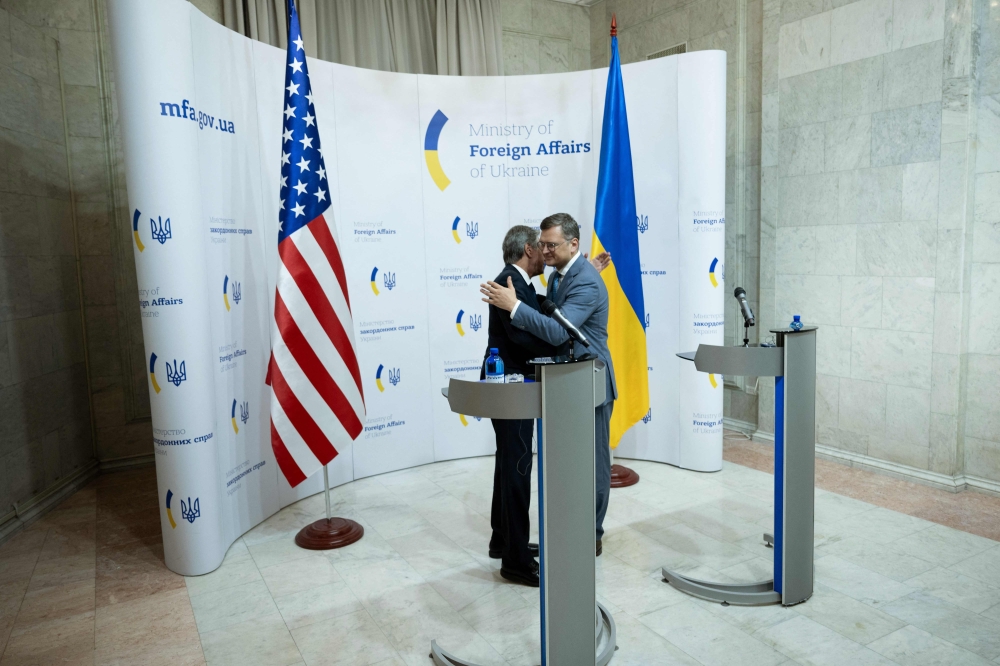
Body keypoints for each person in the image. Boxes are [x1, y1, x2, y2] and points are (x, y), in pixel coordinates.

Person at [480, 213, 615, 557]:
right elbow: (557, 306)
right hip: (565, 384)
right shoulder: (561, 275)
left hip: (589, 381)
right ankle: (556, 529)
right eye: (542, 245)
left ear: (573, 244)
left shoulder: (579, 278)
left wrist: (513, 306)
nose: (545, 251)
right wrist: (585, 271)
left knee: (593, 462)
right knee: (567, 462)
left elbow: (558, 331)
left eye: (551, 245)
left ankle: (591, 533)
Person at [482, 225, 556, 587]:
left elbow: (534, 313)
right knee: (517, 467)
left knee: (508, 465)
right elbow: (524, 337)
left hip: (510, 387)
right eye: (541, 247)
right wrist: (563, 347)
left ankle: (503, 540)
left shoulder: (519, 283)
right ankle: (515, 561)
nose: (546, 253)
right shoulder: (509, 283)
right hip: (512, 388)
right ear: (528, 249)